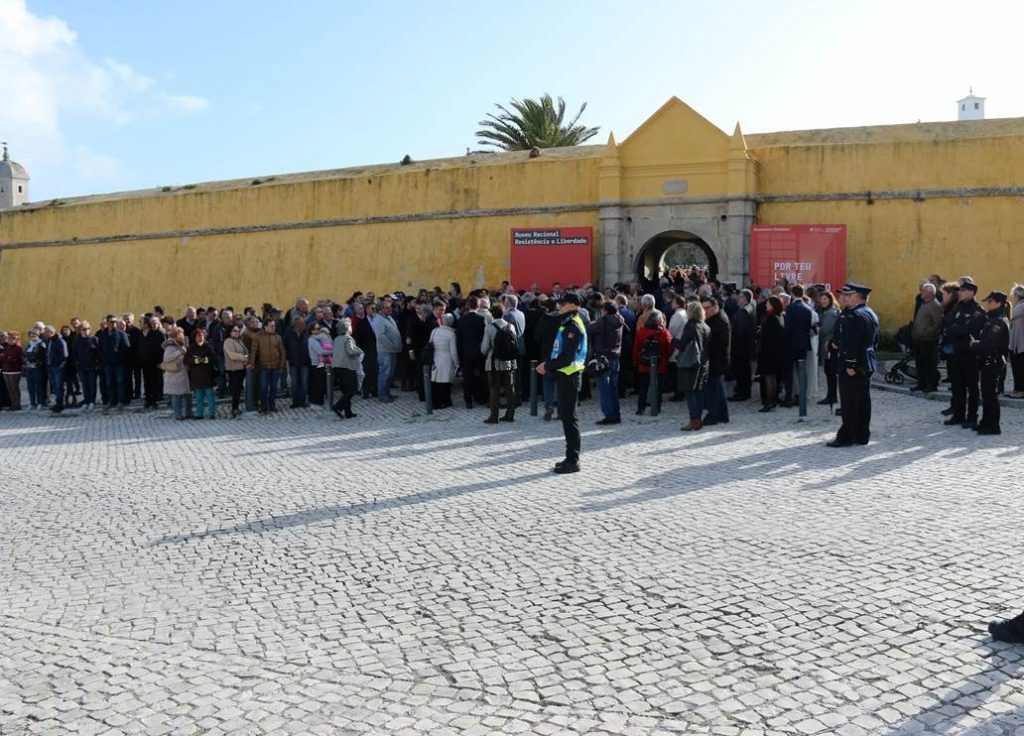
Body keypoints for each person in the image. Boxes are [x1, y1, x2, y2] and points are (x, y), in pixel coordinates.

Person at [537, 293, 587, 474]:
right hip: (566, 375)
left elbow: (567, 358)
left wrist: (547, 366)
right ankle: (569, 457)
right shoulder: (568, 323)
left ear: (573, 305)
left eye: (563, 303)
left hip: (570, 376)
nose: (560, 306)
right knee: (566, 418)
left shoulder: (573, 325)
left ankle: (573, 460)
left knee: (570, 419)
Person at [827, 283, 880, 447]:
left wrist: (850, 364)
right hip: (867, 361)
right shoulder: (870, 313)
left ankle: (847, 436)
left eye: (849, 295)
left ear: (857, 297)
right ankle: (862, 434)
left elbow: (852, 342)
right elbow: (875, 340)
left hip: (854, 364)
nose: (846, 298)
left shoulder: (854, 316)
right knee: (862, 400)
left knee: (850, 401)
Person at [944, 281, 986, 429]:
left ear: (971, 292)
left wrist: (957, 328)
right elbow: (947, 323)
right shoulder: (957, 307)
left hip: (970, 354)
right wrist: (957, 328)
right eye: (960, 290)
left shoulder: (978, 311)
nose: (959, 293)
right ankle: (958, 415)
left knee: (972, 387)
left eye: (963, 290)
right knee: (957, 385)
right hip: (955, 353)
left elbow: (970, 329)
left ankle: (972, 417)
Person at [971, 291, 1010, 435]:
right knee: (986, 394)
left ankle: (993, 426)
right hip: (988, 360)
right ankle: (985, 422)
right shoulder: (992, 318)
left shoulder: (998, 321)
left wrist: (975, 345)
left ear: (998, 303)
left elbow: (990, 343)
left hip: (993, 361)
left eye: (990, 301)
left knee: (990, 395)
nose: (987, 304)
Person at [674, 301, 711, 431]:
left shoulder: (690, 326)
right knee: (699, 391)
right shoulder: (705, 326)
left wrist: (671, 339)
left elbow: (682, 344)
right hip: (704, 362)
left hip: (691, 362)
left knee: (690, 392)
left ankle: (694, 419)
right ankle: (698, 418)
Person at [481, 304, 518, 424]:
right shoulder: (511, 326)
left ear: (492, 314)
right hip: (509, 362)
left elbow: (484, 348)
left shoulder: (489, 328)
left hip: (494, 362)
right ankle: (510, 414)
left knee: (494, 390)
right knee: (510, 388)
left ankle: (494, 416)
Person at [632, 310, 672, 416]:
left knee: (643, 387)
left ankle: (641, 408)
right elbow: (670, 348)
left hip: (644, 364)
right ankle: (656, 407)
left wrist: (636, 360)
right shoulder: (664, 333)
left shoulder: (641, 332)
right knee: (658, 388)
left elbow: (636, 348)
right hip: (660, 364)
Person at [590, 302, 624, 425]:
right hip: (616, 356)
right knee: (613, 388)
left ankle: (609, 415)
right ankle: (616, 413)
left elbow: (590, 328)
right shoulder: (620, 319)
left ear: (605, 310)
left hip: (605, 357)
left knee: (604, 388)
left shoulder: (604, 321)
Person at [781, 284, 813, 409]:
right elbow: (807, 327)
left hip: (791, 344)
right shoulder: (807, 308)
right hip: (803, 343)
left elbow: (788, 329)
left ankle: (789, 397)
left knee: (789, 372)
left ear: (792, 294)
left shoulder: (791, 308)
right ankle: (802, 396)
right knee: (802, 371)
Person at [701, 296, 731, 425]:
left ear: (715, 307)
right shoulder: (712, 320)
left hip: (716, 359)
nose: (705, 310)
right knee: (717, 387)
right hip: (715, 359)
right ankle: (722, 414)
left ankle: (713, 414)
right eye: (703, 308)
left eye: (707, 307)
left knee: (714, 388)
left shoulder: (720, 321)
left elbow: (720, 343)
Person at [910, 282, 943, 393]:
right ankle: (921, 383)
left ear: (930, 293)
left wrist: (927, 331)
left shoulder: (935, 305)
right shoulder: (924, 304)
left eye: (924, 290)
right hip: (919, 339)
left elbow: (938, 322)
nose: (921, 293)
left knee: (929, 364)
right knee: (920, 363)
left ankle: (931, 385)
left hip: (928, 340)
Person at [250, 317, 286, 413]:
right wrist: (252, 364)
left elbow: (282, 352)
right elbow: (253, 351)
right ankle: (264, 406)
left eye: (274, 326)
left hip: (275, 367)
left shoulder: (277, 337)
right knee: (263, 388)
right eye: (271, 326)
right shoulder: (258, 337)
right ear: (265, 326)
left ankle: (272, 405)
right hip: (263, 367)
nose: (274, 328)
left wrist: (282, 366)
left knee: (274, 388)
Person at [456, 295, 487, 409]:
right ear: (478, 305)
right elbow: (483, 338)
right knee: (480, 375)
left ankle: (468, 400)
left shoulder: (461, 320)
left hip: (466, 352)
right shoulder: (481, 320)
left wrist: (460, 354)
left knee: (467, 377)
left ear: (468, 306)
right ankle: (480, 397)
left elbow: (459, 339)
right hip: (479, 352)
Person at [331, 317, 363, 419]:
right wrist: (358, 351)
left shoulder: (336, 339)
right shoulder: (348, 339)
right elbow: (350, 351)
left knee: (345, 390)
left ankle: (348, 412)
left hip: (337, 367)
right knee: (353, 389)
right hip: (347, 366)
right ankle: (337, 407)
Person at [98, 316, 131, 413]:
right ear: (107, 323)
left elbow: (127, 347)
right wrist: (103, 358)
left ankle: (120, 401)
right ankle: (112, 401)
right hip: (107, 363)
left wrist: (120, 357)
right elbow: (99, 348)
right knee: (109, 383)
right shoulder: (103, 334)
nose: (114, 323)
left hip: (119, 363)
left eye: (115, 322)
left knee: (120, 382)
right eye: (112, 322)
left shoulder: (121, 334)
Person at [371, 300, 402, 403]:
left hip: (392, 350)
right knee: (385, 373)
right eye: (388, 308)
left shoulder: (389, 317)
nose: (390, 309)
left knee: (390, 373)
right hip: (385, 351)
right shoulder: (379, 320)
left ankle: (387, 392)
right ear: (381, 309)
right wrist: (391, 345)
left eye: (390, 307)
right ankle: (382, 394)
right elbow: (380, 336)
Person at [758, 296, 784, 413]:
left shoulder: (772, 318)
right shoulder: (775, 317)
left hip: (769, 352)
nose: (766, 305)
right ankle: (771, 401)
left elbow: (769, 336)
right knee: (771, 377)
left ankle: (769, 402)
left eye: (768, 304)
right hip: (773, 351)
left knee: (769, 377)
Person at [729, 289, 756, 402]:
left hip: (741, 345)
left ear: (745, 298)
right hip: (746, 345)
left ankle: (742, 392)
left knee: (741, 370)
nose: (737, 298)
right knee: (745, 370)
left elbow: (740, 330)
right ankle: (744, 391)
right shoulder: (750, 308)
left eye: (739, 296)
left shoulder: (743, 311)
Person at [185, 327, 217, 419]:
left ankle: (212, 413)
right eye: (199, 336)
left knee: (210, 397)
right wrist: (195, 360)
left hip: (208, 375)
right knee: (199, 397)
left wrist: (205, 359)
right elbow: (186, 360)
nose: (201, 337)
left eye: (202, 335)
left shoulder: (208, 346)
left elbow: (214, 358)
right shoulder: (191, 348)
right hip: (196, 376)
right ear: (195, 337)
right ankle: (199, 414)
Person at [816, 291, 840, 406]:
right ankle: (831, 395)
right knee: (829, 371)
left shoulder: (831, 313)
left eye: (825, 299)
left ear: (830, 300)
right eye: (821, 299)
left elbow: (824, 329)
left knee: (830, 372)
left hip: (830, 346)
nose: (822, 301)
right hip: (827, 346)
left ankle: (832, 397)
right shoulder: (826, 312)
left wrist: (817, 328)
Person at [161, 327, 190, 420]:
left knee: (186, 395)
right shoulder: (170, 346)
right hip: (175, 374)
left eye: (182, 333)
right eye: (180, 334)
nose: (182, 336)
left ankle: (187, 413)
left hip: (183, 373)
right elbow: (167, 358)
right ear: (175, 335)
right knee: (176, 396)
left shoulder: (182, 344)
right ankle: (178, 415)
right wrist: (180, 352)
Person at [222, 323, 249, 417]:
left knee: (239, 389)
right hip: (233, 369)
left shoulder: (239, 341)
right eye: (235, 331)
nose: (237, 332)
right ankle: (234, 408)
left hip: (241, 368)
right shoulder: (228, 341)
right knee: (235, 390)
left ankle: (236, 407)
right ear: (230, 332)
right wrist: (245, 358)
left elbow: (245, 351)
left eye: (238, 331)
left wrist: (246, 358)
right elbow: (232, 355)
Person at [284, 317, 311, 408]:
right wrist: (288, 357)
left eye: (303, 323)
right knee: (294, 383)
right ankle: (295, 401)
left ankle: (303, 401)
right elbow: (285, 347)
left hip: (305, 362)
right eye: (299, 324)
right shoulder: (289, 334)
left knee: (304, 382)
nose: (302, 325)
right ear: (295, 325)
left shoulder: (307, 333)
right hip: (293, 362)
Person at [139, 317, 165, 409]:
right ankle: (148, 399)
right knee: (146, 382)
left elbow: (162, 348)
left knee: (154, 381)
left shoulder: (157, 334)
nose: (140, 324)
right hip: (145, 362)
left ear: (146, 324)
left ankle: (154, 400)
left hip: (155, 362)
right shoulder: (141, 334)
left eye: (141, 322)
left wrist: (160, 361)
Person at [307, 322, 333, 406]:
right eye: (317, 329)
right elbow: (321, 351)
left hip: (323, 363)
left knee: (322, 383)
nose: (319, 331)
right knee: (318, 384)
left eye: (319, 328)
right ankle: (316, 401)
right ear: (312, 331)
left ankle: (320, 400)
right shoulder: (311, 340)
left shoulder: (320, 338)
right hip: (316, 364)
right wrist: (333, 351)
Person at [44, 325, 68, 413]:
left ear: (51, 332)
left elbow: (64, 355)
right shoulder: (49, 341)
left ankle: (60, 404)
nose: (44, 334)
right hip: (50, 367)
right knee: (54, 387)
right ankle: (57, 403)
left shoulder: (60, 341)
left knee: (59, 386)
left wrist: (58, 364)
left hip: (58, 367)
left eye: (46, 332)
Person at [24, 330, 47, 411]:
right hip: (29, 368)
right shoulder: (29, 344)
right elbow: (24, 355)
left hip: (38, 368)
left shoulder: (41, 344)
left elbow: (39, 356)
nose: (33, 337)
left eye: (34, 335)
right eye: (31, 335)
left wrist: (30, 359)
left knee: (39, 386)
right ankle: (32, 402)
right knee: (30, 386)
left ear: (38, 336)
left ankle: (40, 403)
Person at [0, 331, 23, 411]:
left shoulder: (18, 348)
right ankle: (13, 404)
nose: (9, 340)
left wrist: (9, 359)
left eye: (11, 339)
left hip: (15, 371)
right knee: (9, 388)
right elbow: (3, 358)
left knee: (14, 388)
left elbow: (19, 360)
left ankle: (17, 404)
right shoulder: (7, 347)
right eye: (9, 339)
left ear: (15, 339)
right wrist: (7, 359)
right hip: (6, 370)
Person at [1008, 285, 1024, 398]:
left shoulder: (1021, 306)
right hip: (1016, 342)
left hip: (1021, 342)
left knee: (1020, 366)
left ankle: (1021, 390)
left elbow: (1012, 315)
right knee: (1016, 366)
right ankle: (1016, 389)